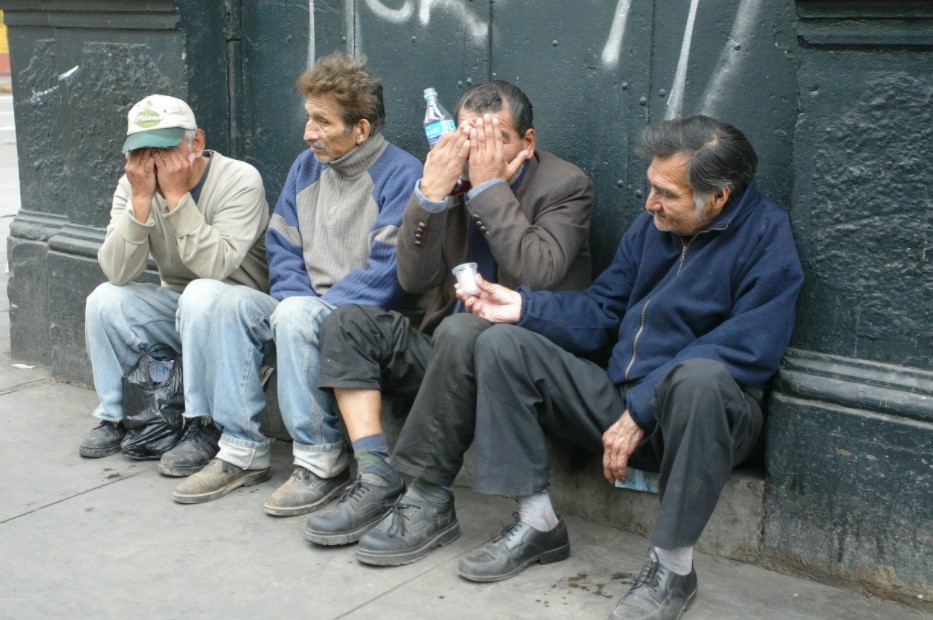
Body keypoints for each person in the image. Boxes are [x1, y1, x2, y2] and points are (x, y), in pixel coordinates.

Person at [440, 116, 803, 619]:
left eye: (667, 194)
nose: (651, 203)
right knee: (503, 343)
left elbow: (749, 346)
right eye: (651, 187)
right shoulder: (649, 228)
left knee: (700, 376)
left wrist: (643, 406)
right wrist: (523, 307)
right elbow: (603, 311)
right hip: (621, 404)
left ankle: (673, 568)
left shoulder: (767, 236)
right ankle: (537, 524)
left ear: (717, 197)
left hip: (699, 419)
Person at [307, 81, 593, 555]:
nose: (478, 149)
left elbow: (537, 275)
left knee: (464, 329)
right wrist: (431, 196)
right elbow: (415, 279)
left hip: (516, 364)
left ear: (528, 142)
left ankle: (428, 498)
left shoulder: (565, 186)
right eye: (467, 136)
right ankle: (377, 474)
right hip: (445, 357)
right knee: (348, 320)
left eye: (495, 137)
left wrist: (489, 188)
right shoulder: (447, 176)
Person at [171, 52, 423, 510]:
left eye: (322, 122)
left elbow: (390, 274)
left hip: (364, 322)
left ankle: (320, 460)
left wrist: (306, 311)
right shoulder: (305, 168)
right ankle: (241, 450)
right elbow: (282, 250)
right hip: (300, 309)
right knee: (221, 299)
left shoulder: (402, 174)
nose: (308, 133)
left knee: (295, 312)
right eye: (309, 118)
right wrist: (295, 304)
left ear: (360, 129)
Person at [80, 94, 269, 473]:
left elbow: (215, 266)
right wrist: (140, 203)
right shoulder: (133, 185)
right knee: (105, 299)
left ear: (195, 143)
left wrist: (178, 196)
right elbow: (118, 272)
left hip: (242, 311)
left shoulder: (239, 179)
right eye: (142, 150)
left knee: (201, 292)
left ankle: (203, 424)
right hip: (181, 307)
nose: (153, 161)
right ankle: (118, 417)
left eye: (164, 148)